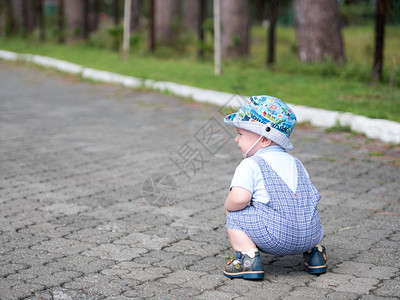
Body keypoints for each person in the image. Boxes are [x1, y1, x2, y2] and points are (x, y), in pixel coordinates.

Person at [223, 95, 327, 280]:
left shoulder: (251, 164)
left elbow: (239, 199)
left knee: (236, 215)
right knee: (298, 209)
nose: (236, 139)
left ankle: (249, 260)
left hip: (277, 240)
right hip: (312, 234)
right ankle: (315, 254)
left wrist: (228, 207)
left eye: (240, 134)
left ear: (264, 140)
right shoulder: (296, 163)